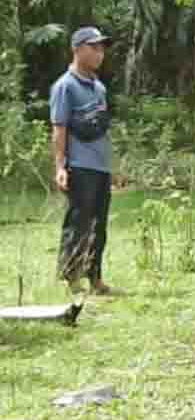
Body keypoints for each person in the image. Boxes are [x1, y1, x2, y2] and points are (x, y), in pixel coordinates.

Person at [50, 26, 117, 295]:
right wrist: (60, 167)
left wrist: (113, 165)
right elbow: (59, 128)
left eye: (102, 48)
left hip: (100, 167)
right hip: (79, 166)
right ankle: (72, 277)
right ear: (77, 49)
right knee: (79, 222)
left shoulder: (99, 88)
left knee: (99, 225)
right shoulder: (65, 86)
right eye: (94, 47)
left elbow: (101, 129)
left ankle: (96, 278)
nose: (99, 53)